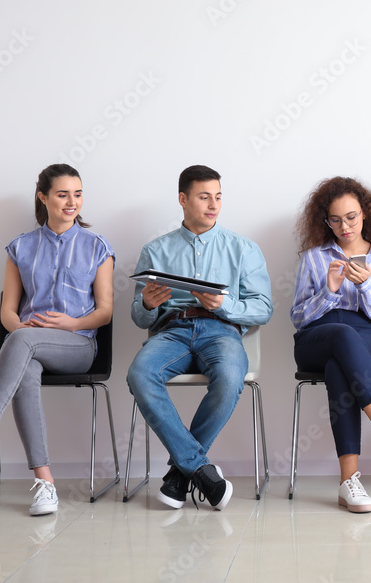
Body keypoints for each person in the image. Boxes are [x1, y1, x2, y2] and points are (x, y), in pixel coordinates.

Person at [0, 164, 115, 516]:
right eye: (62, 194)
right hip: (29, 344)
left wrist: (73, 323)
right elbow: (9, 313)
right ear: (43, 197)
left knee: (23, 342)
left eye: (77, 194)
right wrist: (22, 328)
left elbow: (105, 311)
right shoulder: (20, 248)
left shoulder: (97, 246)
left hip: (79, 347)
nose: (71, 202)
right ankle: (45, 483)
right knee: (25, 362)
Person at [126, 165, 272, 511]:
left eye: (218, 197)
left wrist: (225, 304)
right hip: (172, 331)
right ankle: (200, 468)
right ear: (183, 199)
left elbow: (263, 308)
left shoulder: (244, 249)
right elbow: (137, 315)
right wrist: (148, 303)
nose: (213, 205)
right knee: (139, 374)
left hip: (220, 331)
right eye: (204, 197)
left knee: (230, 376)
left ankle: (181, 472)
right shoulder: (156, 250)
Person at [290, 177, 371, 513]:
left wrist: (366, 287)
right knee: (341, 339)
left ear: (365, 215)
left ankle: (349, 482)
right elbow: (299, 317)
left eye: (351, 217)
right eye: (335, 219)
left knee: (340, 366)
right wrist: (329, 291)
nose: (344, 226)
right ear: (325, 220)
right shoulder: (314, 258)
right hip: (318, 336)